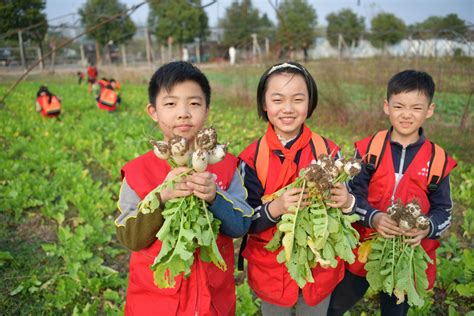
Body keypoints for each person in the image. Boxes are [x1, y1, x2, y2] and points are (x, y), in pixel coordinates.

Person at [115, 61, 253, 315]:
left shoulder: (225, 166)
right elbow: (130, 238)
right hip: (156, 302)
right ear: (153, 111)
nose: (183, 113)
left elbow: (242, 225)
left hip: (213, 301)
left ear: (207, 110)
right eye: (170, 104)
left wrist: (215, 197)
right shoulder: (137, 172)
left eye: (194, 103)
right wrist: (162, 197)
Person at [327, 70, 457, 316]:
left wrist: (426, 227)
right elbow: (351, 196)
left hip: (404, 254)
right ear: (387, 107)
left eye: (416, 108)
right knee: (336, 305)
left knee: (395, 311)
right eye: (399, 106)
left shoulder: (438, 160)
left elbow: (444, 211)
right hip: (364, 246)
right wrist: (373, 217)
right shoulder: (368, 150)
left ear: (429, 110)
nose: (407, 114)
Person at [239, 61, 356, 315]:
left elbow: (347, 209)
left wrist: (345, 200)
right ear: (264, 104)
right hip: (270, 269)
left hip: (319, 269)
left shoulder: (329, 152)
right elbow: (245, 221)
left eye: (298, 99)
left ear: (310, 102)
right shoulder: (250, 158)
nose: (288, 109)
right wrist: (278, 207)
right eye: (278, 100)